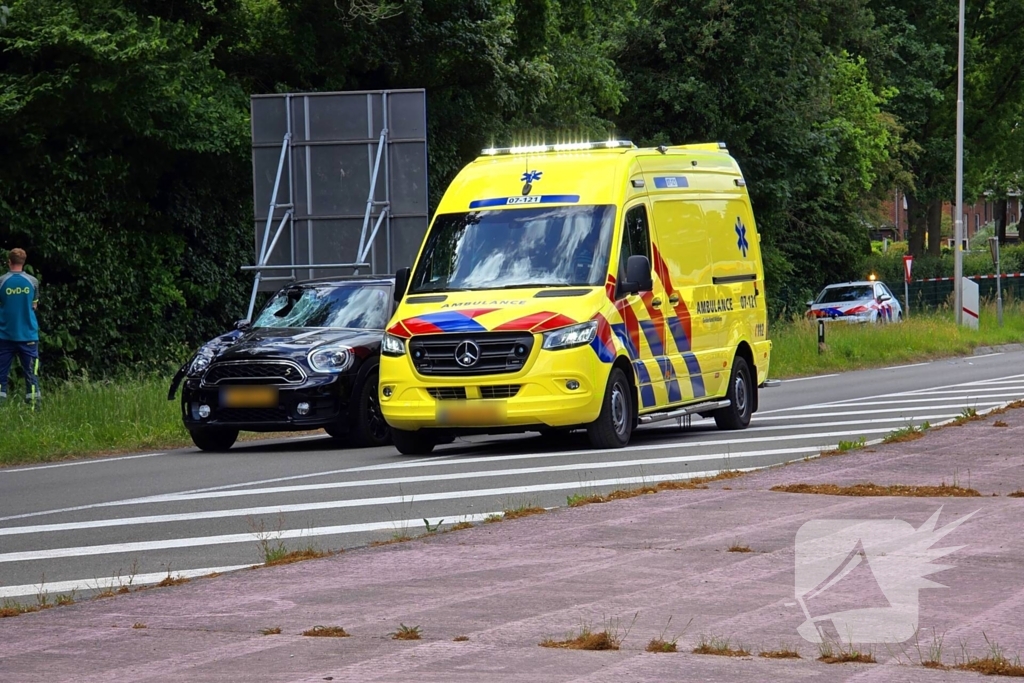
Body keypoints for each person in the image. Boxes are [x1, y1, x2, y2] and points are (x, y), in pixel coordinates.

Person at [0, 248, 41, 407]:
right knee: (31, 375)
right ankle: (33, 410)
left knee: (1, 375)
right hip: (29, 336)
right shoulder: (33, 282)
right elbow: (34, 306)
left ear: (9, 261)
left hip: (5, 335)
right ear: (24, 262)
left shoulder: (2, 281)